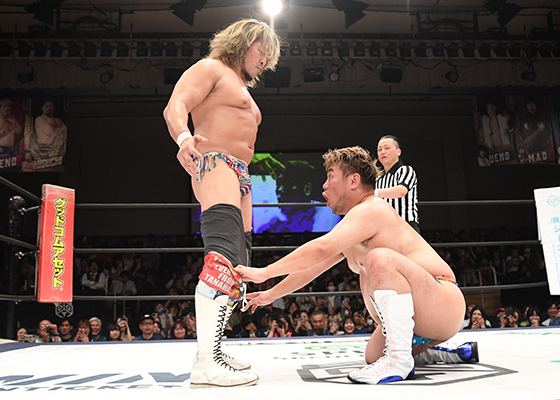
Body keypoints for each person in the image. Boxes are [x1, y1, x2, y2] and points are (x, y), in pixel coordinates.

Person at [237, 146, 466, 384]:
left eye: (330, 177)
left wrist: (265, 272)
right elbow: (311, 267)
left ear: (354, 181)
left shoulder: (373, 208)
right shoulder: (353, 227)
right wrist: (271, 294)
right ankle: (441, 353)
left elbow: (321, 248)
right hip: (421, 318)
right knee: (373, 356)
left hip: (442, 300)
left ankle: (399, 361)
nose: (324, 185)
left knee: (379, 258)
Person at [162, 18, 281, 388]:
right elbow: (176, 104)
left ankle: (210, 349)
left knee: (239, 266)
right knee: (222, 257)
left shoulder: (241, 86)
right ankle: (206, 364)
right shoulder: (211, 68)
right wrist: (183, 137)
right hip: (215, 162)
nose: (265, 60)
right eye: (263, 50)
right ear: (243, 42)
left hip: (241, 175)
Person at [375, 135, 419, 233]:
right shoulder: (379, 180)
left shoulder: (406, 170)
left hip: (406, 225)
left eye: (387, 148)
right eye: (379, 149)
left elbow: (401, 191)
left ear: (398, 152)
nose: (383, 152)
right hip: (385, 228)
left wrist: (373, 193)